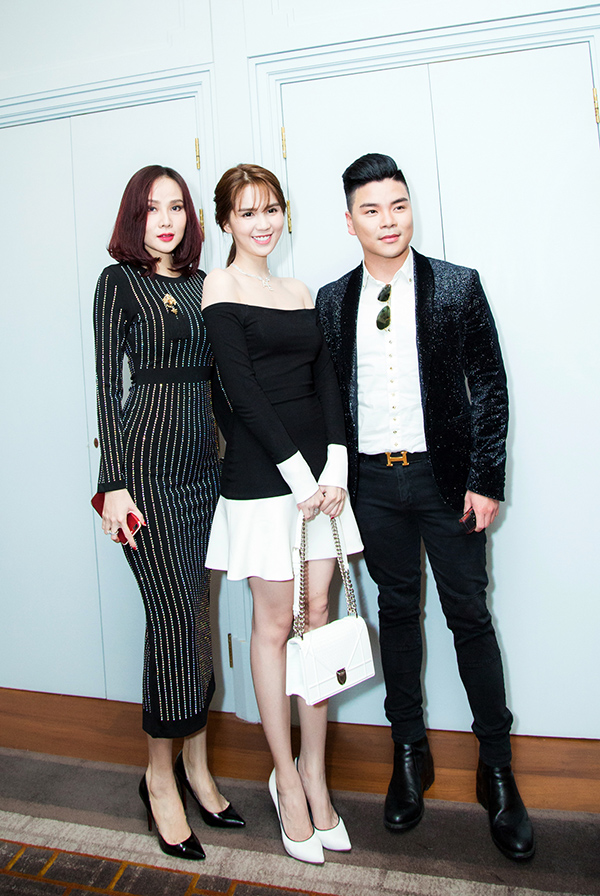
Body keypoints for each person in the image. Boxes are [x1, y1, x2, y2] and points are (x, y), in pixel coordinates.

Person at [315, 153, 535, 861]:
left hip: (448, 484)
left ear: (411, 208)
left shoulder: (457, 287)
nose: (389, 220)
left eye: (399, 205)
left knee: (470, 616)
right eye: (372, 210)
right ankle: (409, 754)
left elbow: (490, 387)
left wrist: (486, 479)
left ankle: (496, 768)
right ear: (349, 221)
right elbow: (325, 400)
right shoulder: (331, 301)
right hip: (373, 486)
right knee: (397, 616)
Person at [201, 163, 363, 865]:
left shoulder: (298, 291)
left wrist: (336, 468)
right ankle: (286, 784)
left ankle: (314, 775)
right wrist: (299, 476)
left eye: (271, 209)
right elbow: (240, 392)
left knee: (316, 615)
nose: (262, 222)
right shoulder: (220, 287)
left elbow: (326, 380)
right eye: (247, 212)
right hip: (264, 481)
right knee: (273, 626)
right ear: (226, 222)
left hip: (320, 482)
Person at [93, 165, 245, 862]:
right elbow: (106, 386)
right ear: (135, 216)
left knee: (197, 614)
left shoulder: (205, 283)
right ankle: (160, 775)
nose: (165, 219)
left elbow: (227, 381)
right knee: (174, 618)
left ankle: (197, 767)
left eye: (177, 207)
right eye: (152, 208)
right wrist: (113, 484)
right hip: (145, 475)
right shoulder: (118, 283)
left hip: (205, 470)